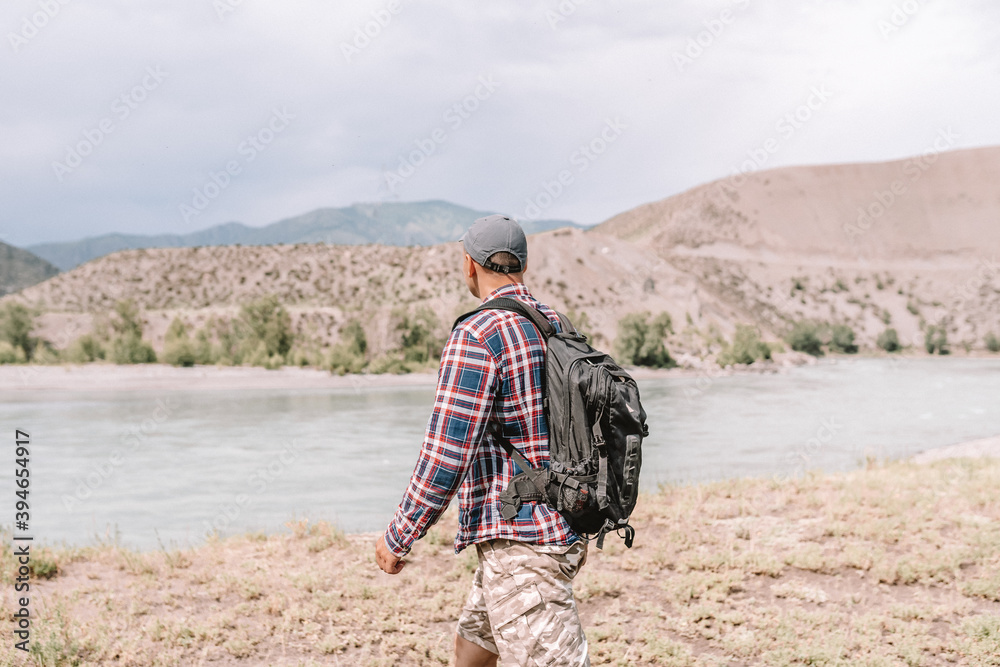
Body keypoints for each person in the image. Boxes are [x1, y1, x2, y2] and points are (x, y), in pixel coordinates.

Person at [374, 214, 590, 666]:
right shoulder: (555, 323)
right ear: (523, 265)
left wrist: (399, 536)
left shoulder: (477, 335)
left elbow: (446, 455)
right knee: (472, 650)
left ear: (470, 265)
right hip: (563, 522)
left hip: (523, 545)